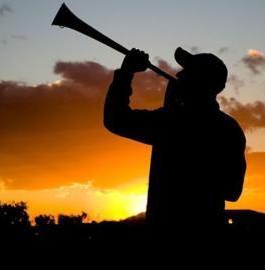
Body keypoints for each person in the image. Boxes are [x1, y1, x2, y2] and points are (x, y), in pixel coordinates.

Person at [104, 47, 246, 232]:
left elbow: (115, 119)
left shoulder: (172, 122)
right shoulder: (230, 129)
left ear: (201, 83)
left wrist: (126, 72)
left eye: (188, 72)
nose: (179, 74)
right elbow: (232, 191)